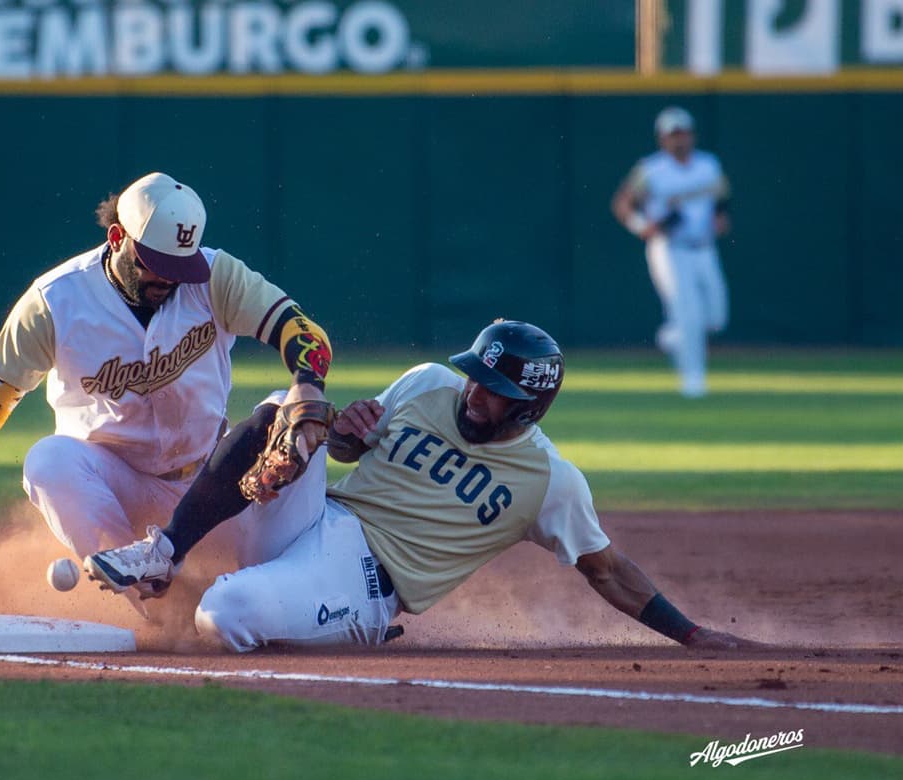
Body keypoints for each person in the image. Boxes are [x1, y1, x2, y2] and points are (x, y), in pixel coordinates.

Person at [84, 319, 757, 652]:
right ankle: (166, 551)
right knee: (286, 410)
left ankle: (235, 602)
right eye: (475, 376)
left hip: (366, 583)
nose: (474, 393)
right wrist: (343, 429)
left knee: (222, 615)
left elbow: (608, 571)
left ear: (527, 408)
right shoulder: (430, 382)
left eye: (494, 392)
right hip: (314, 518)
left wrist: (691, 632)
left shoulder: (551, 481)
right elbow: (344, 446)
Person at [0, 171, 333, 570]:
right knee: (47, 461)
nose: (170, 279)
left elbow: (303, 331)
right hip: (117, 487)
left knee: (284, 413)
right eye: (156, 265)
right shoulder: (57, 300)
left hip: (211, 483)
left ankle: (289, 580)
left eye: (180, 267)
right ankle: (146, 594)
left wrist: (307, 386)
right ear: (118, 238)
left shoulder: (215, 276)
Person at [611, 106, 732, 398]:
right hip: (669, 249)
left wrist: (720, 216)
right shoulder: (652, 169)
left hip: (703, 248)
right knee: (689, 314)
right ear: (663, 139)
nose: (679, 140)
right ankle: (693, 380)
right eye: (673, 135)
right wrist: (642, 225)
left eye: (683, 133)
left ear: (692, 135)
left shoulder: (708, 165)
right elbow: (622, 203)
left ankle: (672, 335)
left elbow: (721, 198)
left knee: (716, 317)